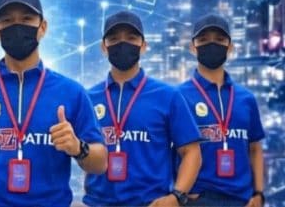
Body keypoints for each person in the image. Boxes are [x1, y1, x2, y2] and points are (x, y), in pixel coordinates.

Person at [0, 0, 108, 207]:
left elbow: (101, 162)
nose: (17, 26)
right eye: (7, 21)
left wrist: (78, 147)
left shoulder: (72, 92)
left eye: (27, 19)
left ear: (43, 27)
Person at [83, 11, 203, 206]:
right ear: (104, 47)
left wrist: (177, 196)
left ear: (144, 46)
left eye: (131, 38)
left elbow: (191, 152)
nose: (123, 44)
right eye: (114, 39)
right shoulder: (89, 98)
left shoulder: (167, 96)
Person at [178, 15, 266, 207]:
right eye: (203, 40)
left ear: (230, 47)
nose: (212, 45)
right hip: (197, 199)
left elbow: (255, 148)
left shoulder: (246, 98)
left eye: (219, 40)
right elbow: (165, 151)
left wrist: (259, 193)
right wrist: (179, 193)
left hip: (241, 200)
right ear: (193, 47)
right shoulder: (179, 97)